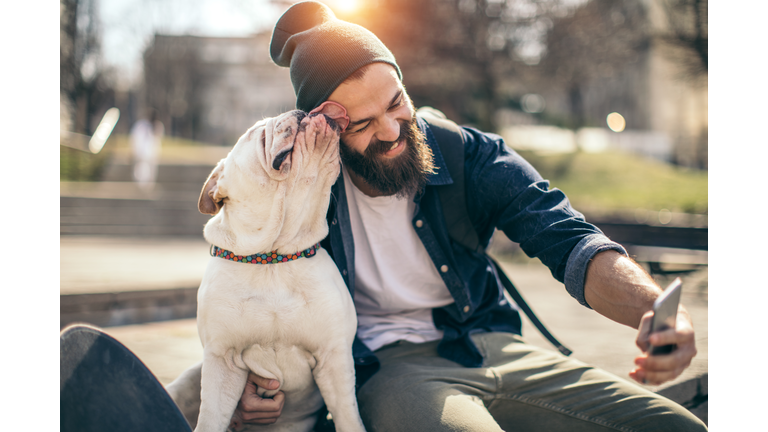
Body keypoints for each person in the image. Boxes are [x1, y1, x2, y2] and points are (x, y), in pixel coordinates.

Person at [168, 1, 707, 431]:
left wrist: (655, 311)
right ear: (326, 128)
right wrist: (252, 391)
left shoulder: (466, 153)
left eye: (395, 103)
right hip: (389, 370)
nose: (391, 131)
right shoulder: (305, 197)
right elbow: (252, 303)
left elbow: (567, 238)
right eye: (362, 124)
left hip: (491, 344)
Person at [130, 109, 164, 191]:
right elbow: (135, 138)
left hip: (152, 154)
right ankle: (140, 187)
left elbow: (158, 138)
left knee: (151, 172)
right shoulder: (141, 125)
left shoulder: (158, 125)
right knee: (140, 171)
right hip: (141, 153)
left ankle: (149, 188)